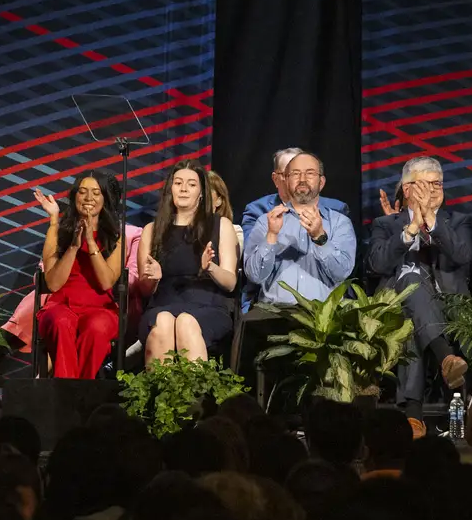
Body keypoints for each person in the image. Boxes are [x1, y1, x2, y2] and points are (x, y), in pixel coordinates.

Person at [367, 157, 472, 409]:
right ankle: (446, 358)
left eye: (437, 184)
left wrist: (432, 222)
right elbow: (376, 264)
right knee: (411, 280)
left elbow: (462, 255)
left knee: (412, 320)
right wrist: (412, 228)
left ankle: (413, 416)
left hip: (449, 303)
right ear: (407, 189)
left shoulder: (457, 221)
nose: (433, 191)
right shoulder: (386, 224)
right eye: (425, 185)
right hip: (395, 305)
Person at [138, 166, 241, 363]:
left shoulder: (221, 225)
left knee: (186, 321)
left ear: (201, 193)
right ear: (171, 190)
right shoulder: (152, 230)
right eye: (178, 183)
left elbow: (230, 282)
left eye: (191, 184)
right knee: (164, 321)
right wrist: (153, 279)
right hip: (162, 306)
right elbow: (144, 290)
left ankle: (195, 393)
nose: (184, 189)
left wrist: (210, 267)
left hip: (208, 306)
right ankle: (160, 391)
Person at [30, 172, 125, 378]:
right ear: (75, 198)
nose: (88, 198)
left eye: (96, 193)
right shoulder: (58, 232)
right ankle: (69, 391)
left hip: (100, 309)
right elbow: (53, 284)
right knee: (61, 322)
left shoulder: (116, 237)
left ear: (105, 199)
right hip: (61, 305)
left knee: (97, 328)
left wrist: (90, 242)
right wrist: (74, 245)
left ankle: (79, 392)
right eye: (82, 192)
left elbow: (107, 282)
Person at [242, 150, 354, 317]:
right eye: (295, 173)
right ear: (286, 181)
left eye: (310, 173)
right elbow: (255, 275)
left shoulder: (339, 222)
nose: (302, 179)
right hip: (275, 317)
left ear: (321, 181)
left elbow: (342, 272)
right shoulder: (266, 222)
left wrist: (320, 238)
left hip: (323, 321)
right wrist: (271, 236)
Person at [238, 147, 349, 229]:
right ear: (275, 179)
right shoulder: (257, 211)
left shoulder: (337, 209)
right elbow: (252, 254)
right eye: (292, 173)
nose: (301, 179)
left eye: (307, 173)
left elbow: (345, 255)